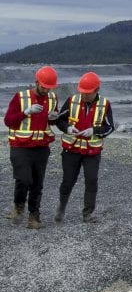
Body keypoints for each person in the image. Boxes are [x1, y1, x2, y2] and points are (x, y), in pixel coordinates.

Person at [54, 72, 115, 223]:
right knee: (68, 180)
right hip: (71, 150)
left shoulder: (105, 104)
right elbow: (59, 121)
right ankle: (61, 208)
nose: (84, 95)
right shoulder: (72, 100)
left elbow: (109, 128)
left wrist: (93, 131)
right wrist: (67, 128)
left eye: (88, 93)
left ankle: (88, 213)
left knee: (91, 180)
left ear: (97, 90)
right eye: (82, 92)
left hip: (92, 152)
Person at [3, 66, 60, 229]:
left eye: (49, 88)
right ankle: (18, 207)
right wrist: (26, 112)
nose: (46, 90)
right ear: (36, 82)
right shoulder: (21, 97)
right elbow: (8, 121)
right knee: (23, 179)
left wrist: (53, 118)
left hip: (41, 147)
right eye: (44, 87)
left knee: (37, 183)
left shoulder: (53, 98)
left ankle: (33, 217)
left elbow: (52, 122)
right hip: (20, 146)